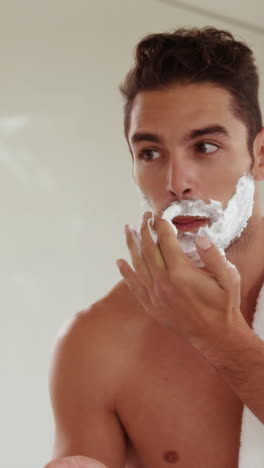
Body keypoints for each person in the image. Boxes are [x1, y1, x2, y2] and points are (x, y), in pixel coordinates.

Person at [45, 27, 264, 468]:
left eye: (205, 147)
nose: (176, 182)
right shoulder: (95, 341)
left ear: (259, 156)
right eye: (150, 153)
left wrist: (218, 338)